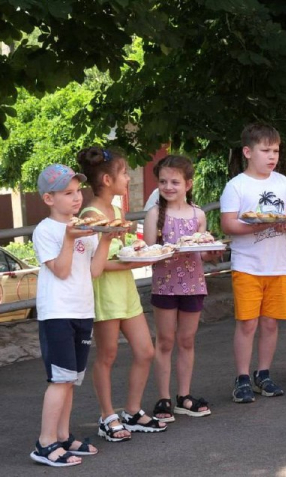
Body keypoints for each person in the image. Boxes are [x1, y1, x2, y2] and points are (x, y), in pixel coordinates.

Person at [76, 147, 166, 441]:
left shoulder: (116, 210)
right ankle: (107, 416)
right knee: (107, 355)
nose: (128, 178)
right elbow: (95, 266)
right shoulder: (90, 215)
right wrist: (130, 261)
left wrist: (139, 253)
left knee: (146, 351)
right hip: (104, 294)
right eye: (124, 173)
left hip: (126, 291)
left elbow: (123, 251)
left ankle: (132, 410)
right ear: (105, 179)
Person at [30, 164, 114, 466]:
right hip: (57, 313)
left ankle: (63, 437)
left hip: (82, 310)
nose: (76, 198)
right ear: (49, 198)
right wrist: (70, 238)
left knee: (71, 380)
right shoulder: (46, 230)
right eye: (68, 193)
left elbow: (93, 271)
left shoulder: (83, 227)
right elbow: (62, 270)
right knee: (59, 380)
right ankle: (45, 442)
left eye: (78, 191)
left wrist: (105, 238)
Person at [220, 123, 286, 403]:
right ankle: (242, 377)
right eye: (265, 150)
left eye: (276, 151)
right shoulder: (236, 186)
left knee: (270, 323)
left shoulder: (282, 182)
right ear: (247, 152)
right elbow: (228, 224)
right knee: (247, 323)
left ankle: (263, 373)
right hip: (247, 266)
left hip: (278, 266)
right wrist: (256, 227)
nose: (272, 156)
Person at [144, 155, 220, 421]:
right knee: (164, 342)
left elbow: (204, 254)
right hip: (164, 286)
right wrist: (166, 251)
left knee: (186, 341)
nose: (168, 186)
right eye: (163, 181)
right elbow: (150, 253)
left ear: (188, 184)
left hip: (193, 285)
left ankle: (183, 396)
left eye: (174, 181)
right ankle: (163, 398)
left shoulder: (198, 214)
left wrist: (211, 251)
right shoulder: (154, 214)